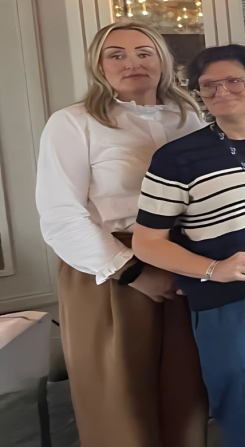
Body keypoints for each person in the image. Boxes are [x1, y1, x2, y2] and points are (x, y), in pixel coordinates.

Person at [132, 45, 245, 446]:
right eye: (208, 85)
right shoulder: (176, 158)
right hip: (229, 303)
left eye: (233, 80)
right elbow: (146, 242)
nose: (221, 91)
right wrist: (214, 269)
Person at [35, 22, 208, 447]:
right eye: (117, 54)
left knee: (185, 395)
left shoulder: (190, 116)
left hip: (185, 266)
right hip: (110, 272)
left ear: (163, 61)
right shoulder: (74, 123)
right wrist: (132, 273)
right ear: (98, 65)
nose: (132, 62)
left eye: (144, 52)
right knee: (120, 400)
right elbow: (61, 215)